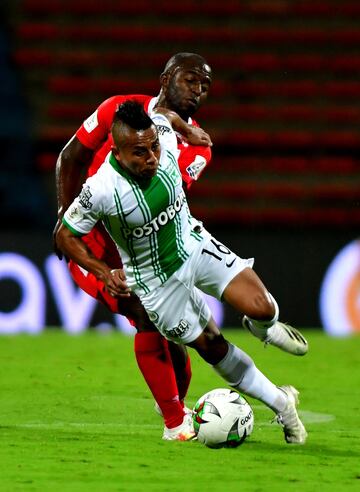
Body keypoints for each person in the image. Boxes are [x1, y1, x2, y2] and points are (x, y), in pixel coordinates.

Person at [56, 100, 308, 444]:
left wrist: (186, 129)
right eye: (140, 153)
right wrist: (103, 272)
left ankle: (262, 327)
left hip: (194, 244)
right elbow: (65, 235)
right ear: (117, 150)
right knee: (213, 346)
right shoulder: (100, 189)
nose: (152, 159)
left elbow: (165, 115)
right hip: (156, 282)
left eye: (154, 148)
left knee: (264, 308)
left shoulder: (160, 133)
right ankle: (283, 405)